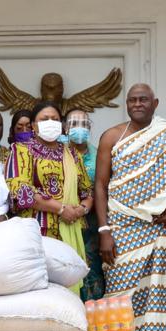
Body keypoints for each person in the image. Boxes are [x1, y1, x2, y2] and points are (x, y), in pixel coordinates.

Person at [95, 84, 166, 331]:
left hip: (162, 228)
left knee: (159, 294)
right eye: (132, 101)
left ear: (155, 103)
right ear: (126, 104)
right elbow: (100, 185)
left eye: (143, 100)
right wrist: (104, 230)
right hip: (122, 227)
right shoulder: (111, 136)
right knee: (120, 292)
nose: (137, 104)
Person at [5, 101, 93, 285]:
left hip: (71, 231)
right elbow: (21, 191)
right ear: (34, 126)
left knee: (68, 292)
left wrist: (82, 209)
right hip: (36, 234)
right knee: (37, 288)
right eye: (45, 119)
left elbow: (87, 192)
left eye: (55, 119)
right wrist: (61, 209)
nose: (51, 122)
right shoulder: (21, 150)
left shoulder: (72, 154)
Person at [65, 107, 104, 300]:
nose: (79, 128)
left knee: (92, 269)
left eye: (84, 124)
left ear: (89, 128)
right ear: (65, 127)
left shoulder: (99, 155)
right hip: (63, 220)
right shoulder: (58, 152)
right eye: (74, 124)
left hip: (92, 223)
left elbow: (104, 187)